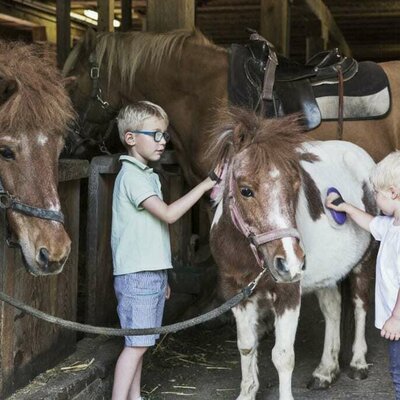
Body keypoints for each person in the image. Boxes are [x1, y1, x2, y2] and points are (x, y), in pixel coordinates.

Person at [111, 101, 219, 400]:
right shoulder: (132, 177)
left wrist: (164, 275)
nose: (162, 142)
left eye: (164, 136)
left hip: (149, 273)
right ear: (130, 138)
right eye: (155, 134)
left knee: (140, 343)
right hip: (137, 274)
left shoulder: (146, 175)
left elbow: (152, 234)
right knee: (136, 346)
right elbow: (169, 215)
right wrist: (205, 185)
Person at [326, 151, 400, 399]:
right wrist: (346, 207)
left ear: (393, 193)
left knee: (399, 377)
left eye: (376, 193)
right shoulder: (392, 226)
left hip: (399, 324)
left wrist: (396, 317)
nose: (375, 198)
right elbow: (371, 224)